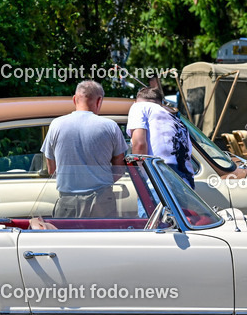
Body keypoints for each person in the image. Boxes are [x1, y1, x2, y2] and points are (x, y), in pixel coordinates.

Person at [42, 80, 127, 218]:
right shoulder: (110, 126)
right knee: (103, 239)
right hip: (102, 201)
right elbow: (119, 169)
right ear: (99, 101)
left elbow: (52, 170)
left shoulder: (56, 125)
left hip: (67, 201)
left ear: (74, 99)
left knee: (68, 239)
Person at [127, 86, 195, 187]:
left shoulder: (138, 107)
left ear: (136, 102)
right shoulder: (177, 121)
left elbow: (139, 144)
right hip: (187, 182)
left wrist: (140, 183)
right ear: (161, 104)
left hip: (159, 178)